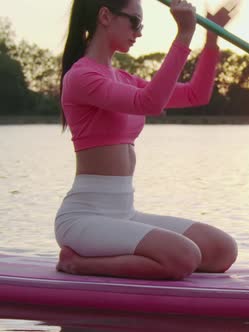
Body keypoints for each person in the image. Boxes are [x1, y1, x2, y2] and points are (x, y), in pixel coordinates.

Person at [55, 0, 239, 280]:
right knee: (184, 256)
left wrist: (210, 39)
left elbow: (195, 95)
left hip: (123, 213)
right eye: (135, 22)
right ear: (105, 16)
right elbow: (150, 102)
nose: (139, 32)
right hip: (85, 218)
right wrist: (183, 35)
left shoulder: (125, 79)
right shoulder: (81, 77)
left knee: (222, 250)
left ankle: (145, 257)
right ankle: (76, 263)